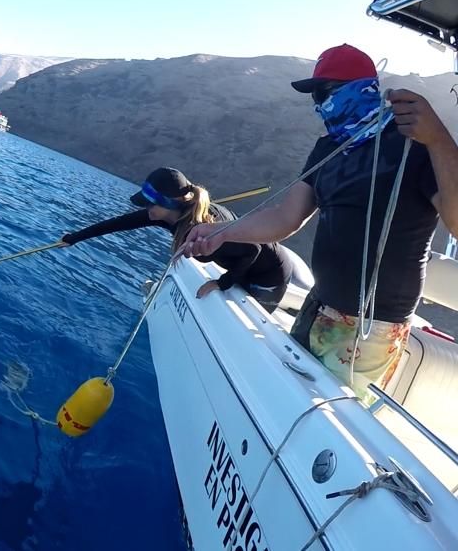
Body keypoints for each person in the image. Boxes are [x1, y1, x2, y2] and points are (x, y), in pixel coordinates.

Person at [183, 44, 458, 402]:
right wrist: (221, 233)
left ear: (363, 89)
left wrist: (439, 140)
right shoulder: (328, 148)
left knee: (325, 415)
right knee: (283, 401)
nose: (318, 103)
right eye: (314, 95)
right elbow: (286, 218)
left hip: (370, 327)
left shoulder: (415, 144)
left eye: (325, 92)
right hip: (318, 306)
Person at [62, 167, 294, 313]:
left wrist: (222, 283)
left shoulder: (206, 227)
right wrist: (75, 238)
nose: (147, 209)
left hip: (268, 275)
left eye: (151, 203)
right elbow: (118, 223)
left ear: (171, 204)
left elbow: (252, 250)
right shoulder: (163, 215)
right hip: (244, 264)